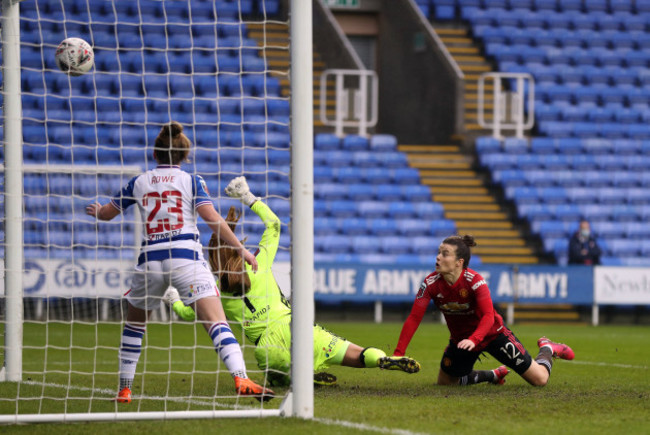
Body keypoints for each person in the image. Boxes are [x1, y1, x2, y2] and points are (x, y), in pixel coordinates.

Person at [164, 176, 422, 387]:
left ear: (214, 260)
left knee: (273, 374)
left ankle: (295, 376)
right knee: (354, 354)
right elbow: (274, 225)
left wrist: (173, 298)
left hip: (269, 343)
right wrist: (248, 197)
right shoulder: (258, 263)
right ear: (236, 247)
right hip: (296, 326)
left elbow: (189, 314)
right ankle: (382, 359)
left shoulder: (217, 292)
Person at [85, 122, 274, 403]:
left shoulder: (138, 182)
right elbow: (212, 219)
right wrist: (242, 250)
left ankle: (124, 389)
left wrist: (98, 211)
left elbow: (108, 214)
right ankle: (241, 378)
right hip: (185, 258)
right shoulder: (192, 181)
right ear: (184, 157)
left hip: (150, 260)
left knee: (135, 327)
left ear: (154, 154)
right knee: (216, 322)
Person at [391, 235, 575, 387]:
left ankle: (547, 348)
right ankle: (493, 375)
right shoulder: (430, 283)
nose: (438, 257)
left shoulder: (475, 281)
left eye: (445, 254)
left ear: (459, 262)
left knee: (540, 380)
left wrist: (474, 339)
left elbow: (488, 316)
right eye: (439, 252)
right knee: (446, 383)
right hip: (462, 341)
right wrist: (398, 354)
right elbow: (414, 318)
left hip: (493, 335)